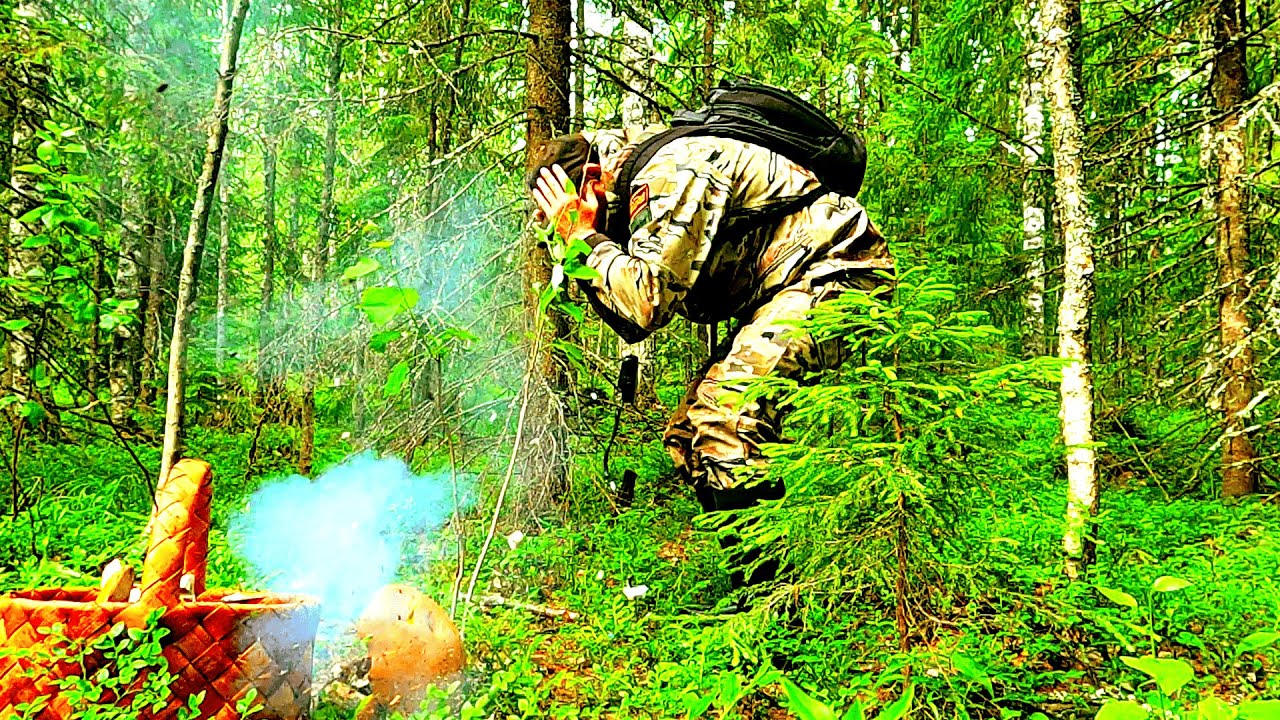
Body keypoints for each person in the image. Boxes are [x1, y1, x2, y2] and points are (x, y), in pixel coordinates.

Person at [528, 127, 894, 590]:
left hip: (839, 268)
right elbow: (629, 323)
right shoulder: (627, 195)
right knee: (688, 434)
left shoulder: (672, 172)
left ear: (594, 179)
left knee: (725, 423)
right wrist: (577, 243)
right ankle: (757, 591)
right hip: (785, 288)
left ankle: (778, 611)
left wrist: (585, 235)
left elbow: (647, 299)